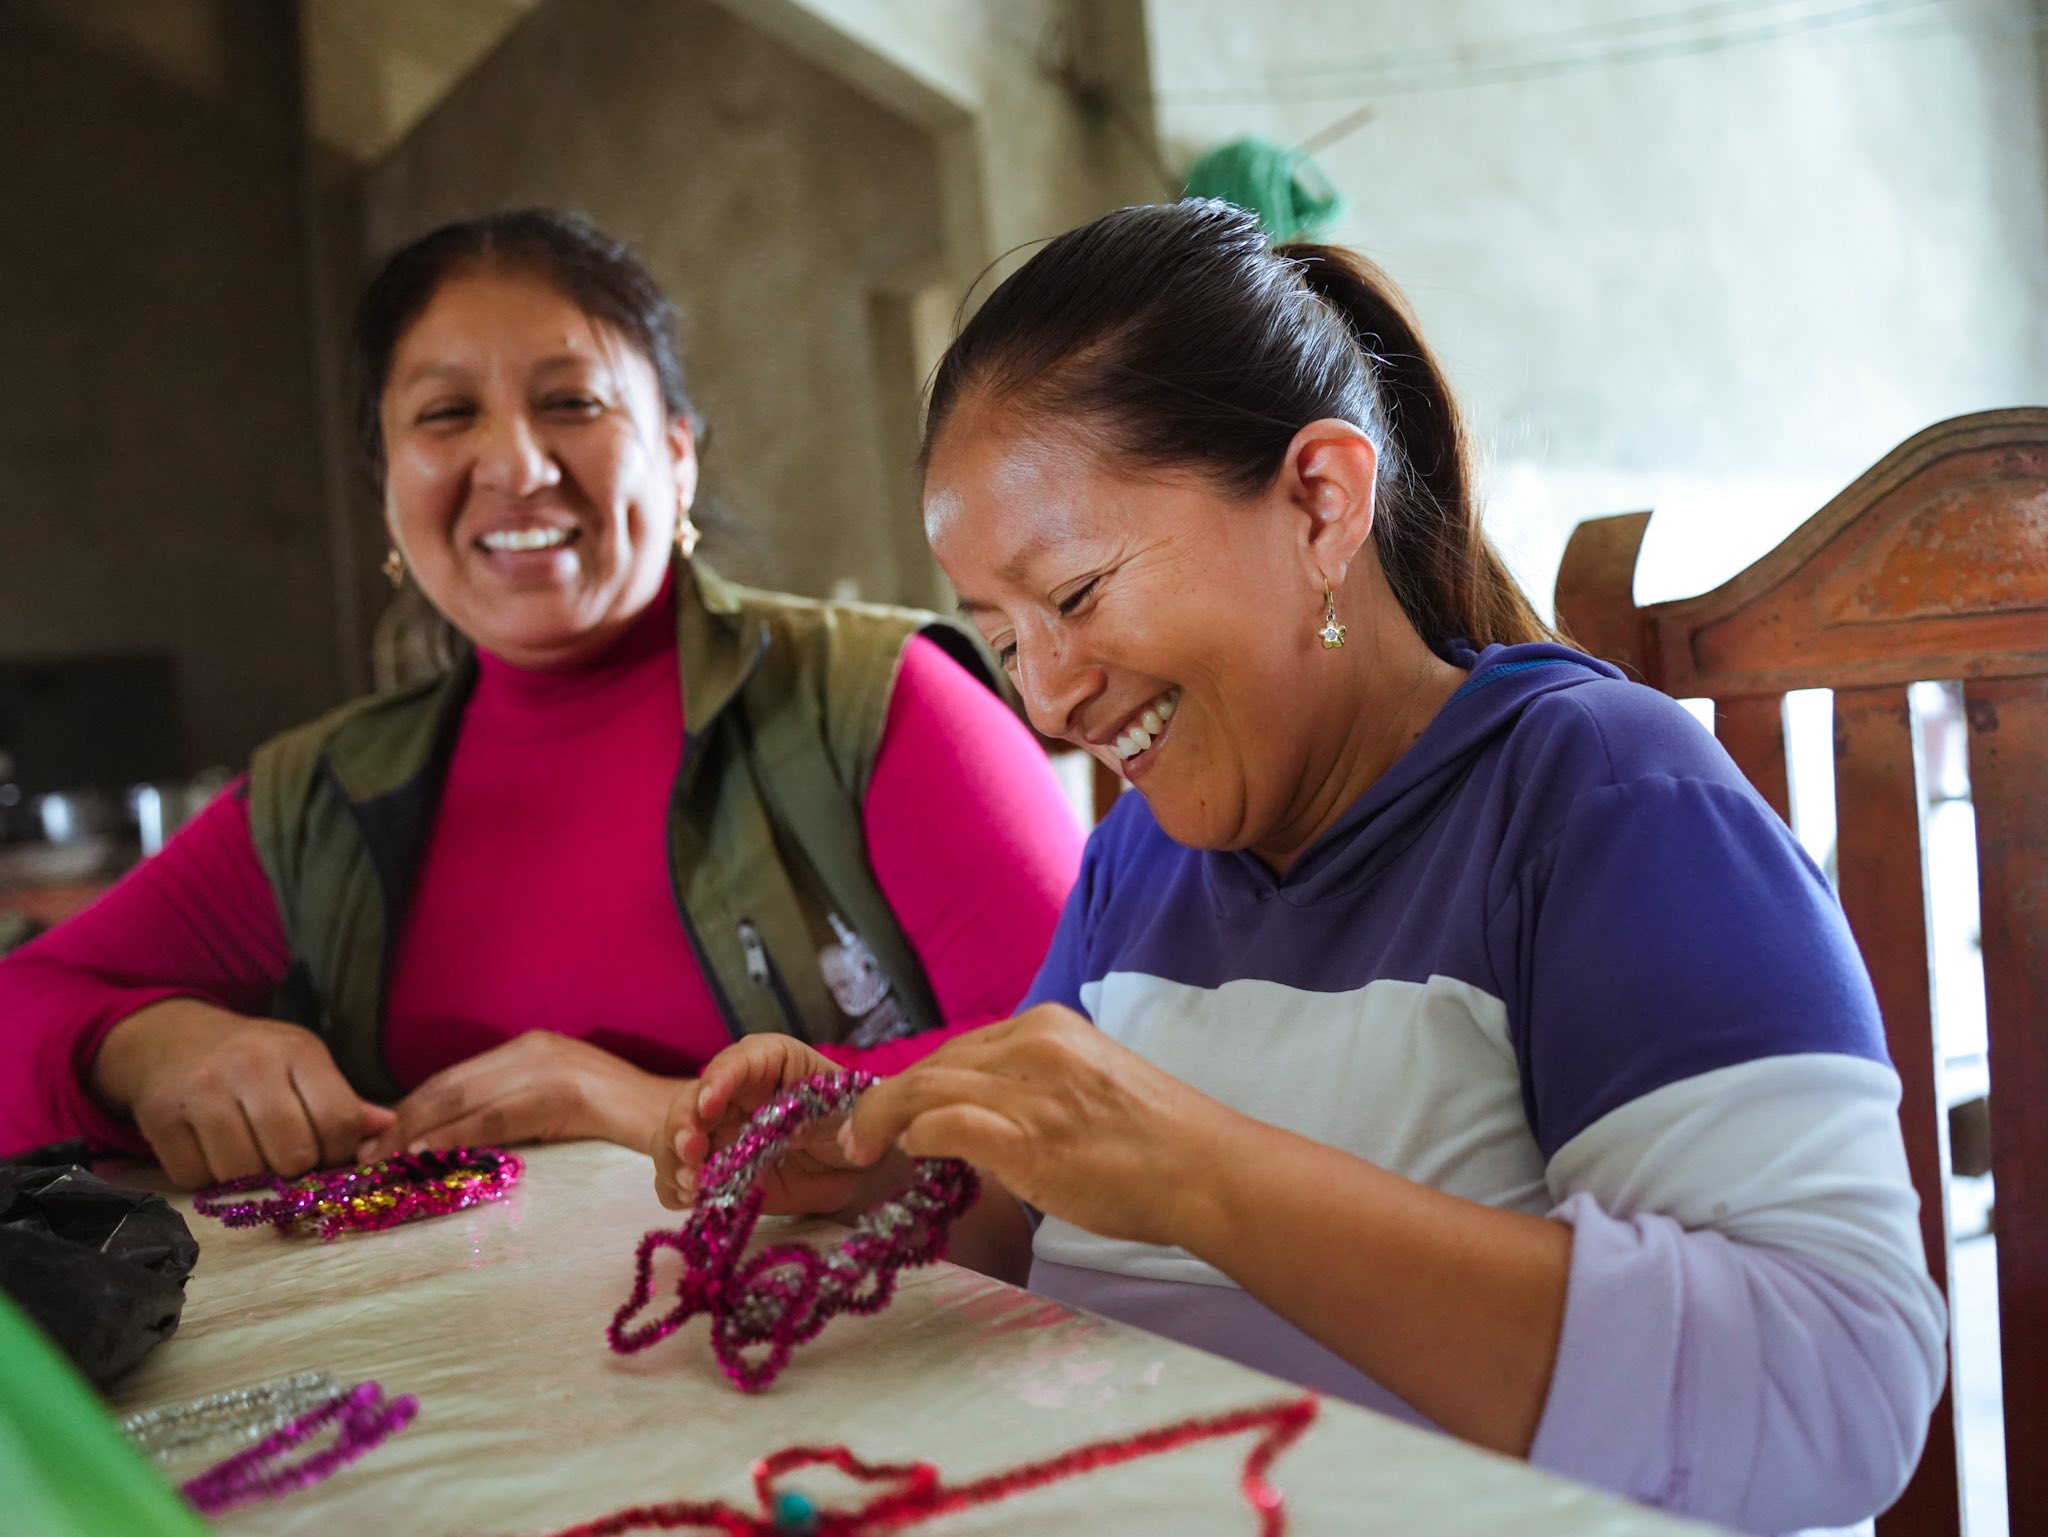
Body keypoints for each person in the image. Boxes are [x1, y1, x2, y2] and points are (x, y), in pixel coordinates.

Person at [658, 201, 1947, 1534]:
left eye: (1078, 596)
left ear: (1321, 502)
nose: (1045, 698)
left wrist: (1196, 1172)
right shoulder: (1139, 858)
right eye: (1001, 639)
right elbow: (1044, 1231)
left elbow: (1838, 1394)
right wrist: (886, 1172)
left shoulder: (1601, 798)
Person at [0, 209, 1083, 1186]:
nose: (515, 464)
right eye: (446, 414)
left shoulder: (871, 702)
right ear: (385, 485)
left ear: (676, 457)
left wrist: (638, 1103)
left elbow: (1079, 1046)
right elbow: (23, 1007)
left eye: (572, 402)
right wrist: (140, 1046)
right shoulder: (322, 797)